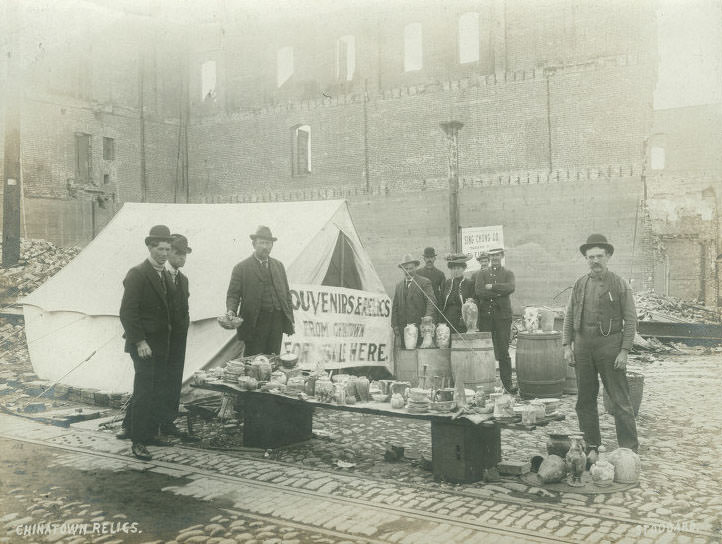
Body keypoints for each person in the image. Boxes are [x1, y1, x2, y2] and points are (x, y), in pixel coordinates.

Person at [563, 234, 638, 456]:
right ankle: (592, 446)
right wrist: (567, 346)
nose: (595, 261)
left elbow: (631, 319)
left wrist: (624, 350)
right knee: (584, 399)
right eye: (590, 257)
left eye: (599, 256)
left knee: (619, 400)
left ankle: (629, 450)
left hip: (610, 347)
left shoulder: (619, 283)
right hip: (583, 347)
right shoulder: (579, 284)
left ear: (608, 257)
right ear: (586, 259)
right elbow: (568, 316)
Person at [118, 225, 174, 461]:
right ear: (150, 247)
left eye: (168, 249)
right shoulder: (138, 273)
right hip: (144, 345)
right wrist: (140, 341)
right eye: (160, 249)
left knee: (157, 389)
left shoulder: (166, 275)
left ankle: (150, 433)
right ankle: (138, 441)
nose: (164, 253)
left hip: (162, 344)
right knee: (143, 391)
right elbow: (127, 312)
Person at [225, 226, 294, 357]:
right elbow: (233, 294)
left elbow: (286, 293)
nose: (265, 247)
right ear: (254, 244)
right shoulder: (241, 268)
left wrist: (289, 317)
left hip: (276, 322)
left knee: (273, 359)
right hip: (255, 323)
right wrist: (231, 310)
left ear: (272, 245)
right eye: (262, 243)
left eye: (268, 243)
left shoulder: (279, 266)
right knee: (253, 362)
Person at [158, 233, 192, 437]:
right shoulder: (159, 275)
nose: (182, 258)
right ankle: (141, 423)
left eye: (185, 254)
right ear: (169, 252)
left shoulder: (183, 279)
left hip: (178, 340)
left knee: (173, 381)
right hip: (160, 339)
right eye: (178, 253)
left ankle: (168, 422)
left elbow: (184, 308)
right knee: (155, 381)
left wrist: (183, 327)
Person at [475, 248, 517, 393]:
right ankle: (486, 384)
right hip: (486, 317)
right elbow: (479, 291)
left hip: (503, 317)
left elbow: (510, 287)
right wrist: (500, 292)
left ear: (502, 256)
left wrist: (492, 287)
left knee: (503, 351)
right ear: (489, 257)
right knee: (486, 350)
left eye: (497, 255)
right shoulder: (482, 273)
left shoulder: (508, 273)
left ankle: (507, 384)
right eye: (492, 255)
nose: (494, 258)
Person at [391, 253, 436, 347]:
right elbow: (395, 306)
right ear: (402, 269)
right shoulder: (398, 286)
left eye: (411, 268)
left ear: (415, 268)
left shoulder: (424, 282)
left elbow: (431, 301)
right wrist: (395, 325)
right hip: (403, 329)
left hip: (419, 328)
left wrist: (428, 316)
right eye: (406, 269)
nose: (408, 271)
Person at [440, 254, 475, 333]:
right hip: (448, 318)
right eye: (453, 268)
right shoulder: (446, 283)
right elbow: (441, 302)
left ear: (463, 268)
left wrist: (471, 301)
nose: (456, 271)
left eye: (458, 268)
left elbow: (474, 301)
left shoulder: (469, 283)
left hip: (463, 318)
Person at [416, 247, 445, 313]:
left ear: (435, 258)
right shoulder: (418, 273)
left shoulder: (440, 274)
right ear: (424, 259)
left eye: (431, 257)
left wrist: (440, 308)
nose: (429, 260)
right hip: (420, 306)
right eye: (427, 257)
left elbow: (442, 293)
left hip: (435, 307)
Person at [472, 252, 491, 331]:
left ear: (489, 262)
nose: (484, 263)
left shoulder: (493, 273)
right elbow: (473, 290)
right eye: (482, 261)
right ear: (479, 262)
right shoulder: (475, 274)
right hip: (479, 302)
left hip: (491, 302)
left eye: (486, 261)